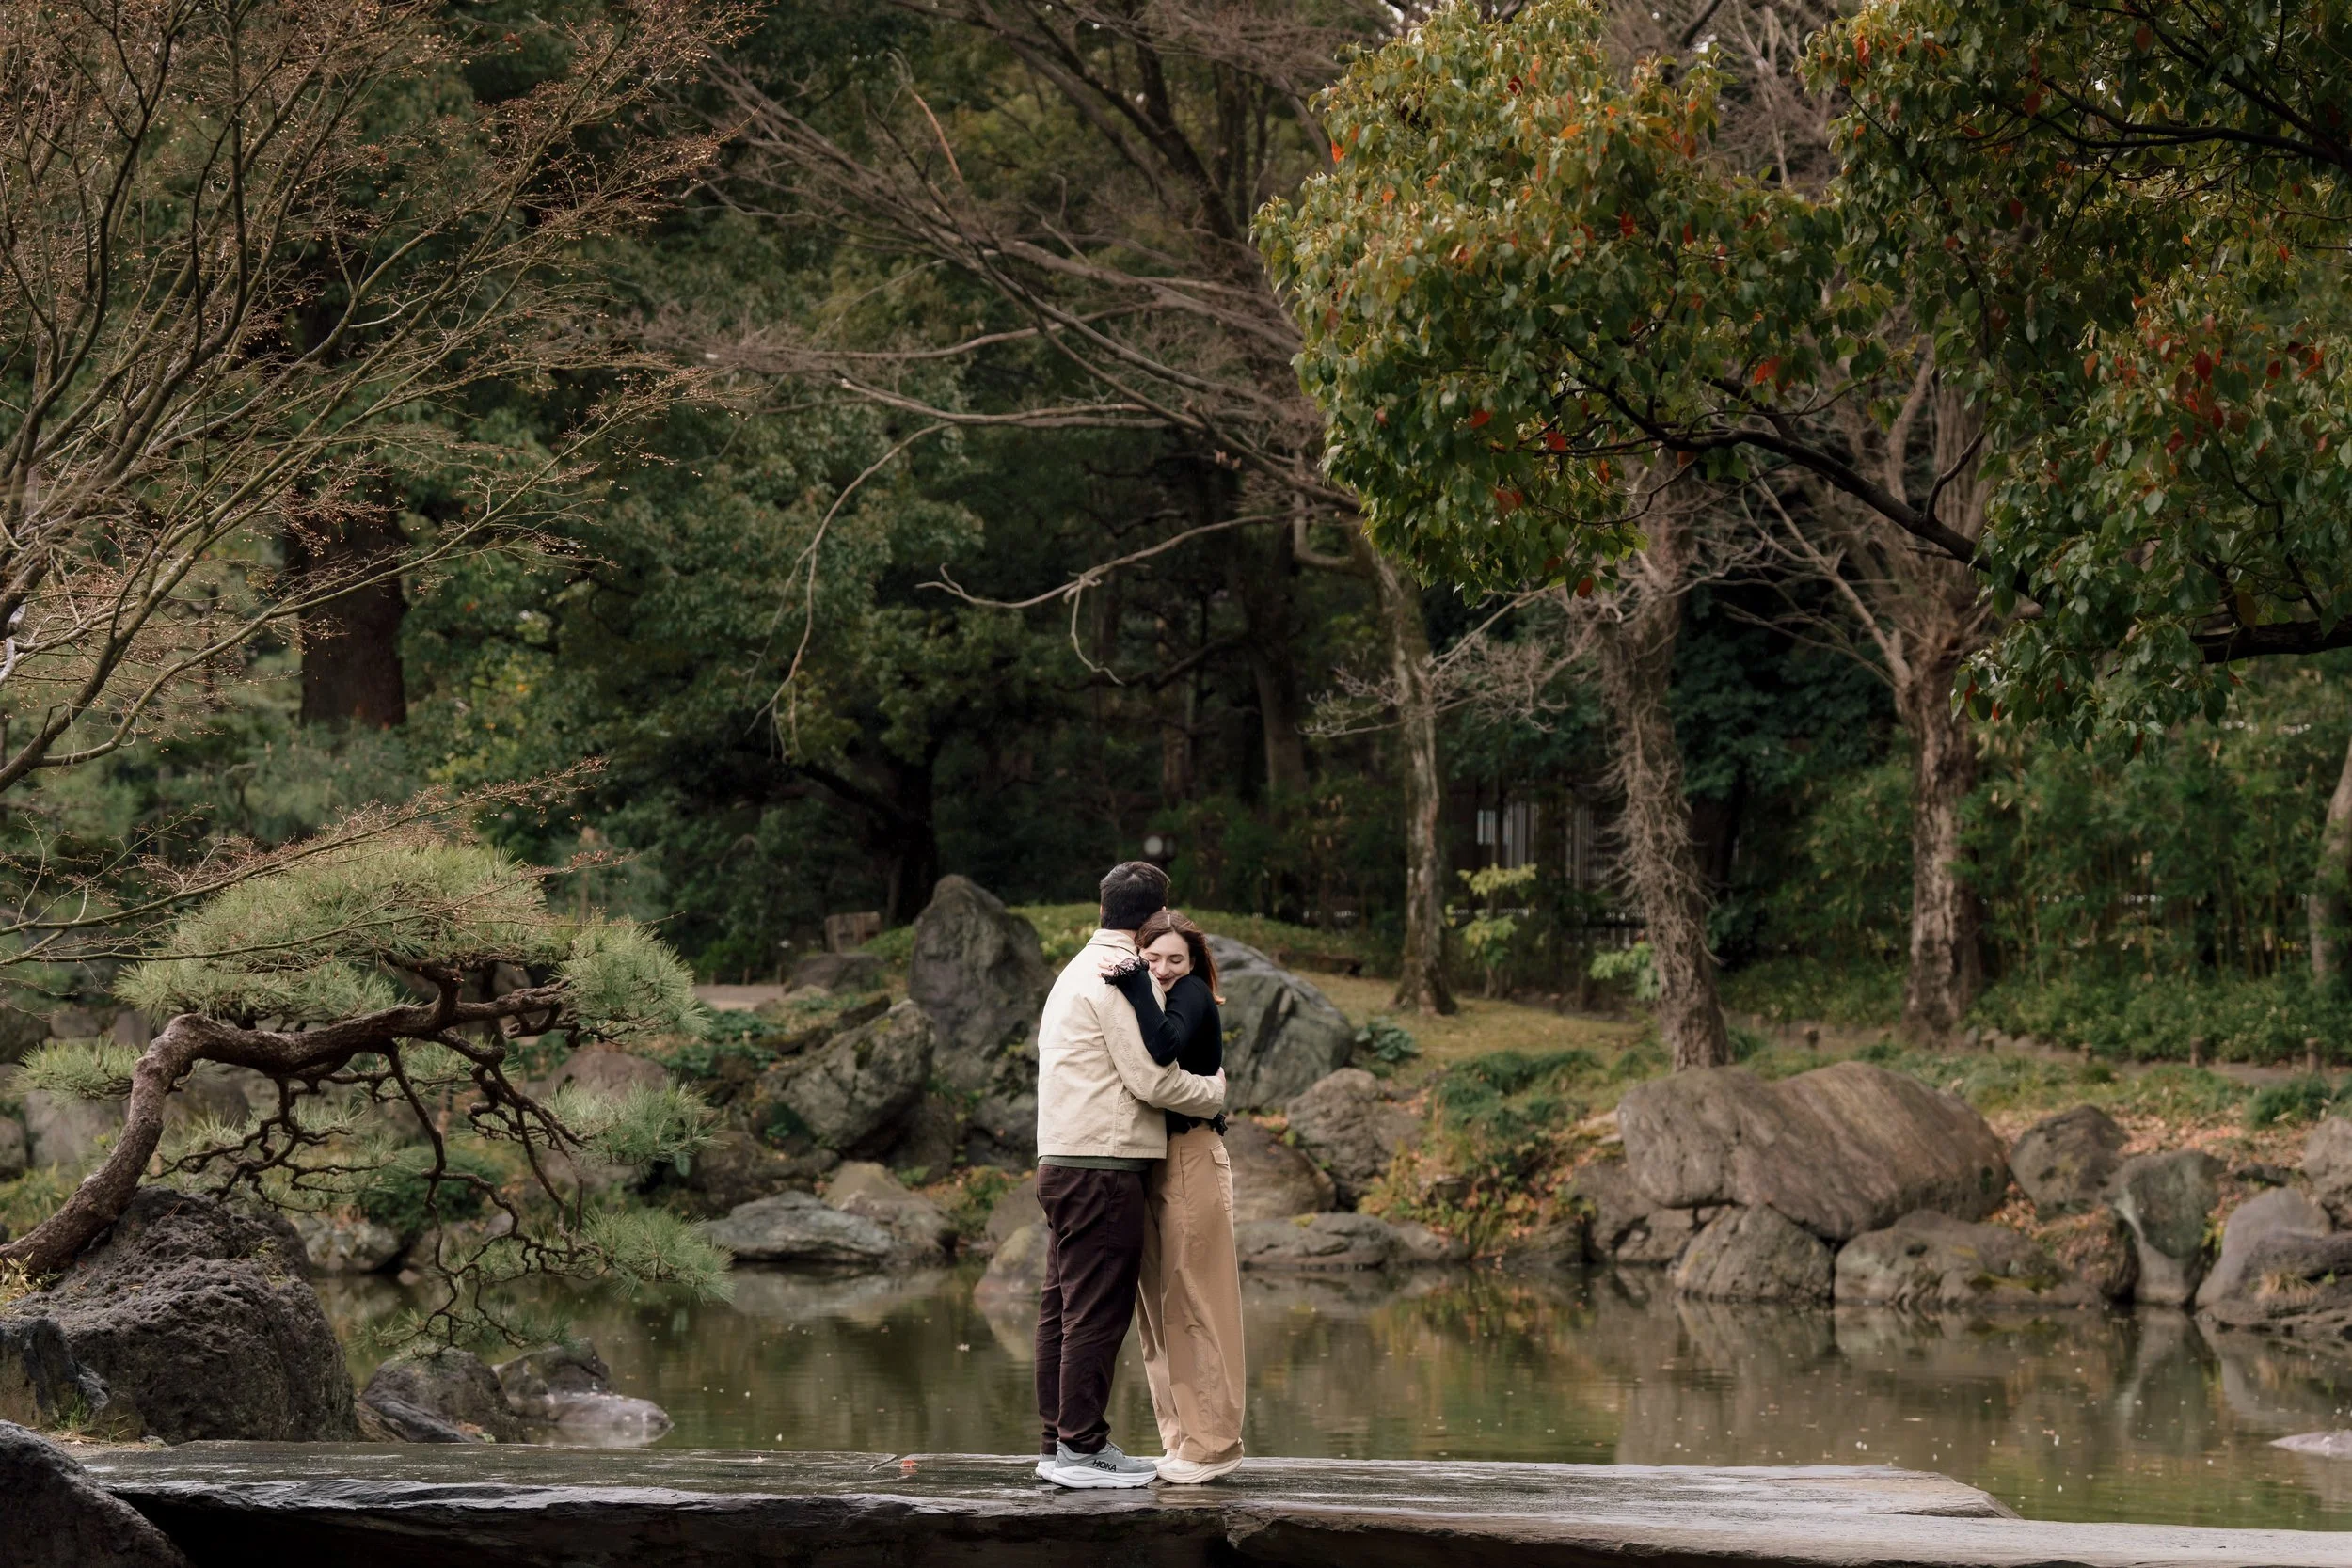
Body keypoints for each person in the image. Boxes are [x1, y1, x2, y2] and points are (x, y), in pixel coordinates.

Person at [1030, 861, 1226, 1489]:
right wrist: (1213, 1092)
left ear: (1101, 909)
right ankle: (1083, 1450)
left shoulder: (1071, 971)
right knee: (1096, 1311)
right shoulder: (1120, 975)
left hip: (1061, 1157)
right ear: (1151, 920)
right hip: (1103, 1165)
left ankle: (1058, 1443)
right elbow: (1151, 1077)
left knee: (1061, 1308)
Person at [1102, 909, 1246, 1484]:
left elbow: (1164, 1050)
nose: (1164, 969)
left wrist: (1136, 981)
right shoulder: (1152, 995)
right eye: (1153, 958)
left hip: (1192, 1155)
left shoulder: (1189, 995)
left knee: (1195, 1297)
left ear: (1193, 963)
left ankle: (1213, 1446)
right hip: (1154, 1160)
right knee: (1157, 1308)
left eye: (1174, 959)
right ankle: (1181, 1439)